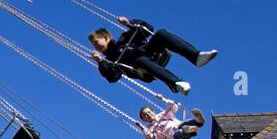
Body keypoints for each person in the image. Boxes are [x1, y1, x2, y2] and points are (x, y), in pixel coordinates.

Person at [88, 18, 216, 95]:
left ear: (106, 38)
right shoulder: (109, 60)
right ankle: (176, 83)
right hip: (142, 69)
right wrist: (100, 62)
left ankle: (196, 57)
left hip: (153, 53)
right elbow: (113, 77)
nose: (96, 47)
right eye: (94, 45)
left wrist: (129, 23)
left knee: (161, 34)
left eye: (96, 43)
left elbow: (148, 28)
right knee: (139, 60)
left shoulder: (125, 38)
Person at [138, 95, 206, 139]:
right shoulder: (149, 129)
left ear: (153, 112)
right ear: (144, 119)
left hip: (179, 127)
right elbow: (150, 137)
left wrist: (163, 99)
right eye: (145, 115)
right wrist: (142, 127)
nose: (148, 115)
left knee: (185, 124)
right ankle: (189, 130)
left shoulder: (162, 115)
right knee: (179, 132)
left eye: (149, 112)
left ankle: (198, 121)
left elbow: (173, 106)